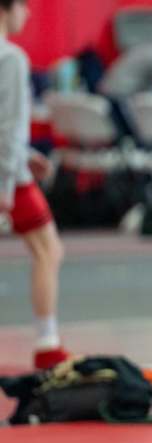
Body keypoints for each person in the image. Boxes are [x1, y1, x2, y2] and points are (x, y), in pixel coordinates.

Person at [0, 0, 69, 370]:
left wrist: (24, 155)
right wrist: (7, 182)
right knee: (48, 250)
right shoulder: (10, 58)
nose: (26, 14)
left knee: (47, 249)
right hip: (9, 178)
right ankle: (47, 342)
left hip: (12, 168)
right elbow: (7, 125)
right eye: (23, 5)